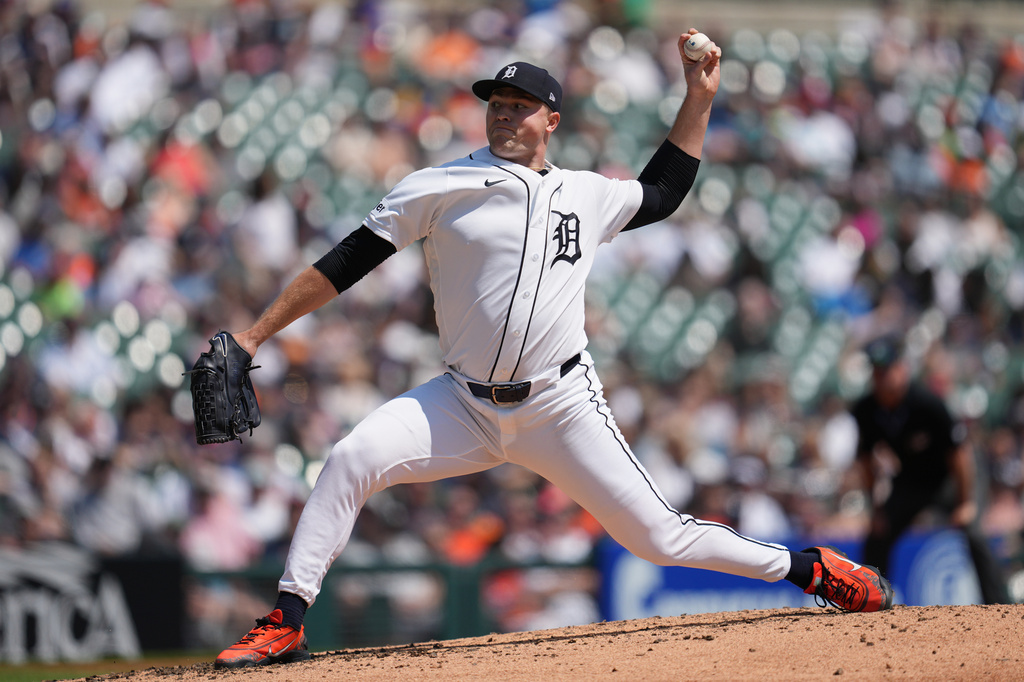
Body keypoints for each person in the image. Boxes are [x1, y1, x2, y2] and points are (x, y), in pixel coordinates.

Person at [212, 30, 893, 669]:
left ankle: (811, 569)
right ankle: (286, 617)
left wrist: (699, 98)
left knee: (659, 537)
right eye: (496, 105)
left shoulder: (586, 193)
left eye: (520, 106)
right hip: (462, 402)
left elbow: (662, 191)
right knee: (352, 455)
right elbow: (346, 261)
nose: (504, 115)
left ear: (552, 121)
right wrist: (253, 336)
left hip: (561, 404)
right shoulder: (439, 184)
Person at [852, 334, 1008, 604]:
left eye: (888, 369)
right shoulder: (867, 409)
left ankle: (1000, 605)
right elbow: (866, 461)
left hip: (951, 479)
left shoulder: (926, 402)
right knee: (877, 536)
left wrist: (966, 502)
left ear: (902, 368)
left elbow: (959, 454)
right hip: (912, 480)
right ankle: (871, 601)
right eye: (877, 371)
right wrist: (876, 508)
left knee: (973, 533)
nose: (883, 377)